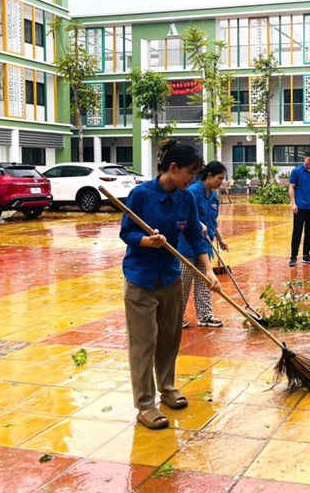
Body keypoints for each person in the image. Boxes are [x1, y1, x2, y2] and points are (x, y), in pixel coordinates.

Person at [119, 140, 221, 430]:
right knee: (144, 342)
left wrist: (209, 271)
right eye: (190, 172)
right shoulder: (140, 195)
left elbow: (195, 236)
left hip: (170, 277)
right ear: (173, 168)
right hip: (141, 278)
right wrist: (146, 241)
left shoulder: (185, 198)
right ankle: (145, 405)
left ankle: (167, 387)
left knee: (169, 337)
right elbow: (126, 233)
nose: (193, 179)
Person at [180, 160, 228, 328]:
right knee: (183, 283)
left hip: (205, 246)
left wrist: (220, 239)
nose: (221, 182)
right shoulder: (192, 192)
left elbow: (212, 222)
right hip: (187, 246)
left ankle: (205, 315)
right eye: (219, 178)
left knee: (205, 281)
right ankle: (176, 317)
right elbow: (185, 216)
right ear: (209, 176)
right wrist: (198, 225)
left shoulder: (214, 196)